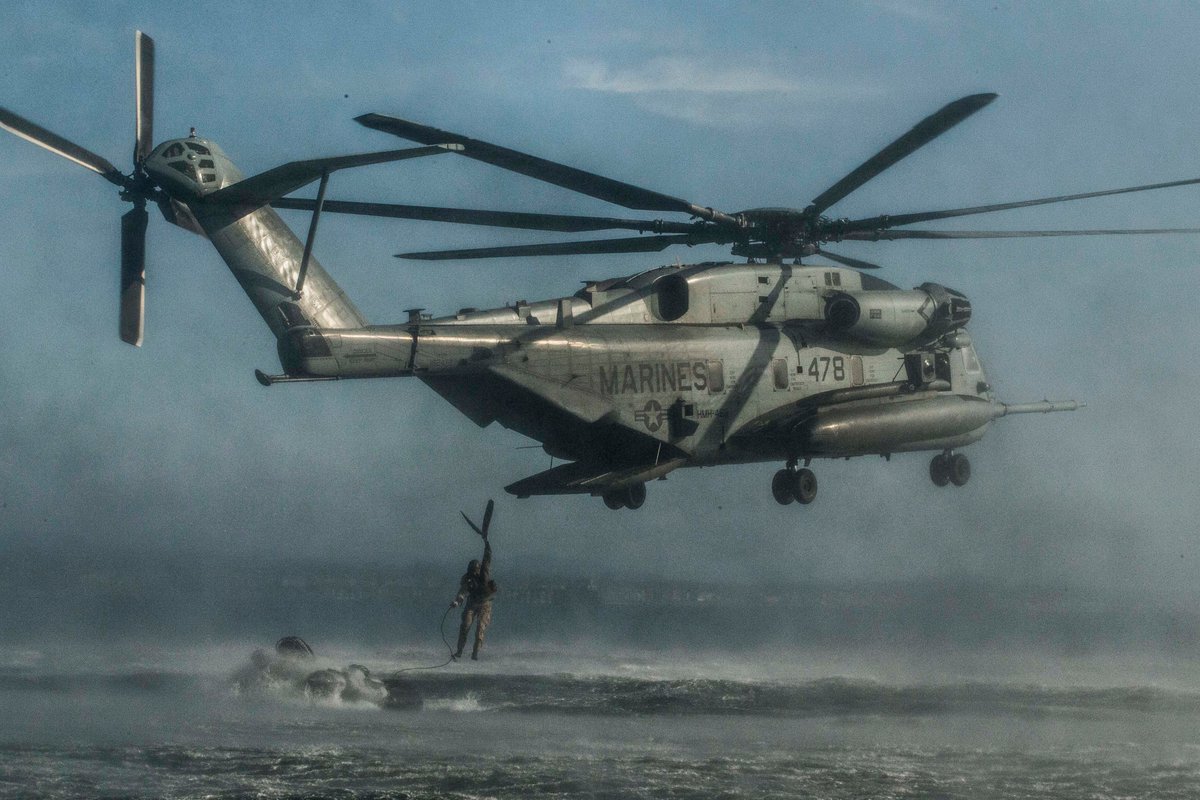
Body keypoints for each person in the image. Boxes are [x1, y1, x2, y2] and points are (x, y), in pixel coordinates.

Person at [450, 525, 498, 661]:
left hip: (485, 604)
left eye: (474, 571)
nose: (473, 573)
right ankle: (459, 651)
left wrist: (486, 542)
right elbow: (462, 592)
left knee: (480, 630)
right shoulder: (467, 579)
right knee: (465, 626)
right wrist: (456, 602)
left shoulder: (484, 574)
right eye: (471, 571)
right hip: (472, 603)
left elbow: (487, 557)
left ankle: (475, 654)